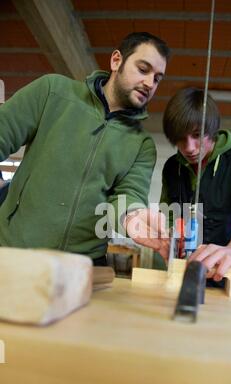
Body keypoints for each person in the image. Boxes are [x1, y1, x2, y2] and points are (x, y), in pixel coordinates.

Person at [0, 32, 170, 265]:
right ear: (116, 61)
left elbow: (127, 195)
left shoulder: (141, 145)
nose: (150, 83)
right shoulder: (52, 92)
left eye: (158, 78)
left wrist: (133, 216)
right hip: (14, 252)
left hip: (81, 267)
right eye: (143, 69)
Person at [159, 87, 231, 288]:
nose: (188, 147)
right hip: (184, 274)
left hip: (230, 276)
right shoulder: (172, 168)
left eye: (197, 135)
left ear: (212, 129)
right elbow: (169, 214)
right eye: (180, 138)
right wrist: (169, 239)